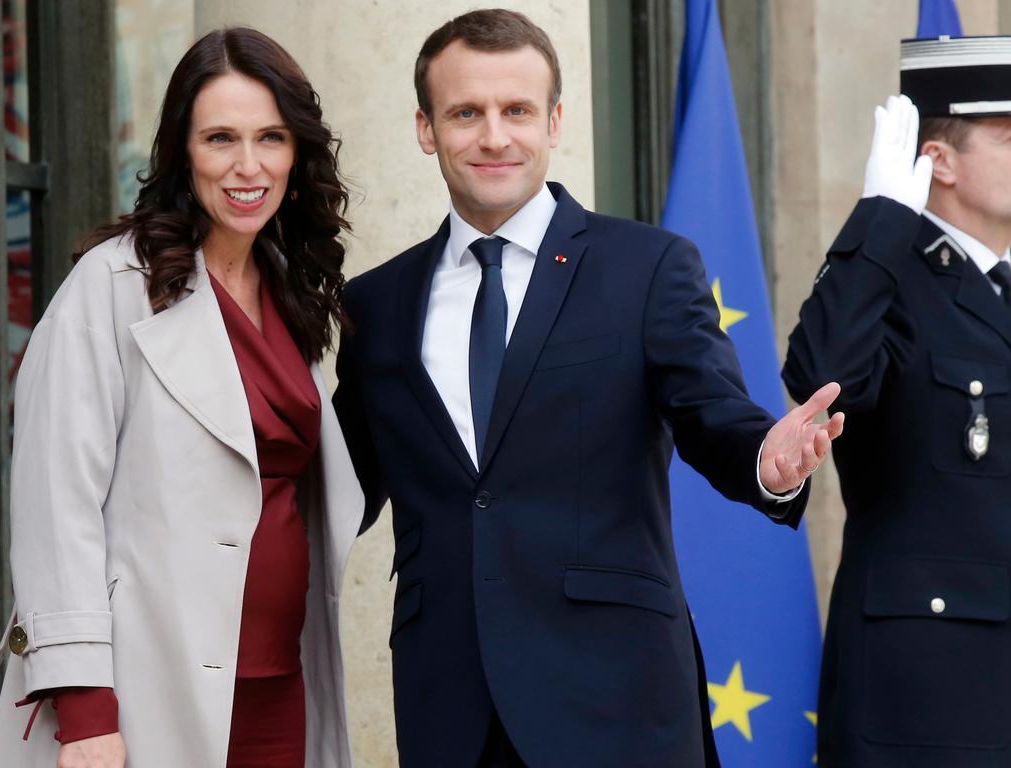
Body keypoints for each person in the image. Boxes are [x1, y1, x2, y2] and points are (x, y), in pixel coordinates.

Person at [334, 9, 843, 767]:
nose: (494, 136)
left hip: (617, 700)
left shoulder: (647, 266)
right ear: (425, 128)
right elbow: (339, 485)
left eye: (517, 111)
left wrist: (766, 461)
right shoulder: (377, 302)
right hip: (451, 705)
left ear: (556, 120)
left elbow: (713, 415)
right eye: (466, 113)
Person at [0, 27, 362, 768]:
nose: (247, 166)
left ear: (298, 152)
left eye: (271, 138)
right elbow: (56, 503)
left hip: (281, 682)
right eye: (220, 138)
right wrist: (86, 707)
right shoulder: (111, 285)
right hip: (143, 689)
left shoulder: (291, 290)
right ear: (181, 153)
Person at [784, 36, 1011, 768]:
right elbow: (821, 376)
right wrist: (882, 217)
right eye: (1010, 139)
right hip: (929, 697)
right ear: (939, 160)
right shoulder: (891, 283)